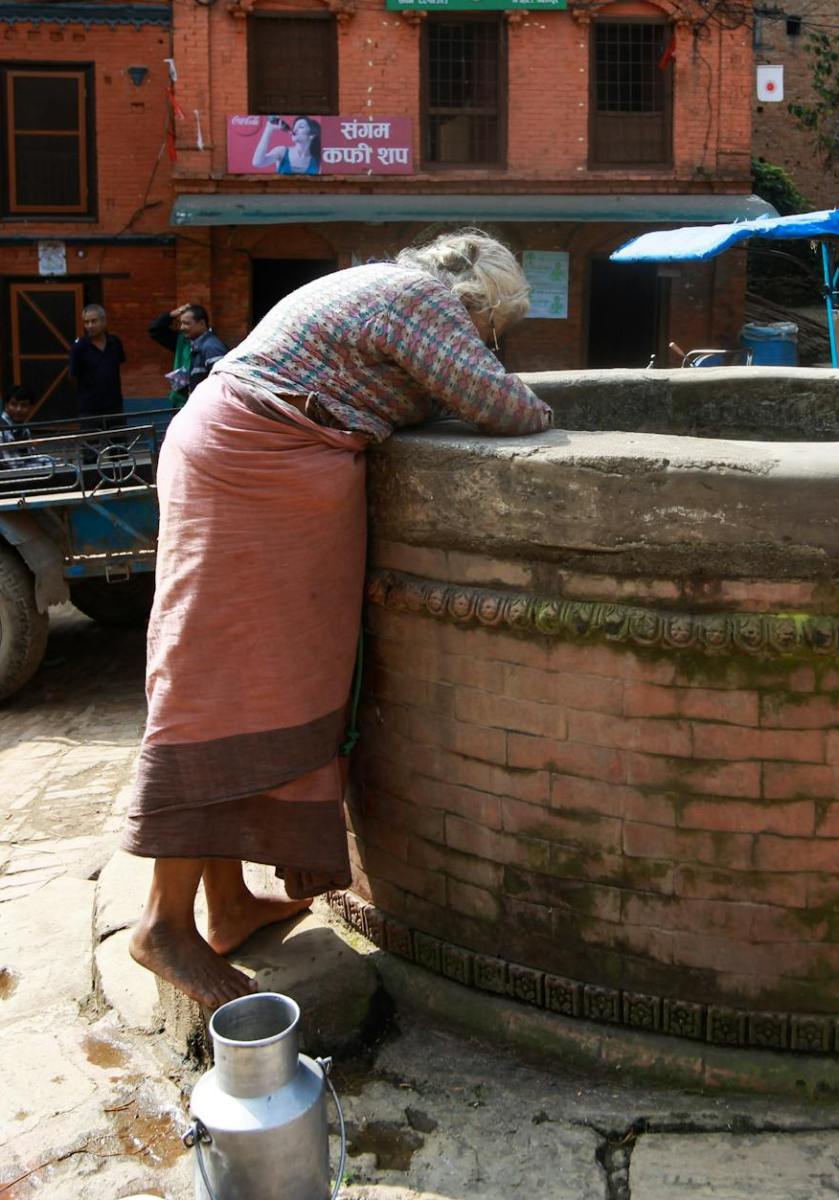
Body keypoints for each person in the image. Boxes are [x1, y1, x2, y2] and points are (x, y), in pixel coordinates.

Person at [123, 229, 553, 1009]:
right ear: (482, 302)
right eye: (497, 327)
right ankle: (163, 925)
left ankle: (225, 904)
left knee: (257, 684)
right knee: (215, 682)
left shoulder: (383, 289)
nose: (491, 340)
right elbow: (506, 409)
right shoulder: (422, 301)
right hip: (252, 466)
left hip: (252, 457)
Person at [148, 304, 228, 402]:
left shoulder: (212, 347)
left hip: (202, 406)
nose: (182, 328)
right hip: (185, 403)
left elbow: (221, 382)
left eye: (186, 323)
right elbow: (155, 330)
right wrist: (172, 314)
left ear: (202, 323)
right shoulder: (183, 342)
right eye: (181, 323)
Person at [68, 304, 125, 423]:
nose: (90, 326)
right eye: (86, 322)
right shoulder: (79, 347)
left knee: (118, 441)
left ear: (103, 321)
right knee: (92, 441)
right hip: (90, 409)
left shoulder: (114, 343)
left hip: (114, 407)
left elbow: (118, 364)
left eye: (94, 321)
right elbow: (73, 376)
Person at [252, 115, 322, 175]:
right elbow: (257, 162)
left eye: (301, 127)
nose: (295, 129)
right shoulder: (282, 151)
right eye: (294, 127)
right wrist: (268, 129)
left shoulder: (317, 161)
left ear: (311, 135)